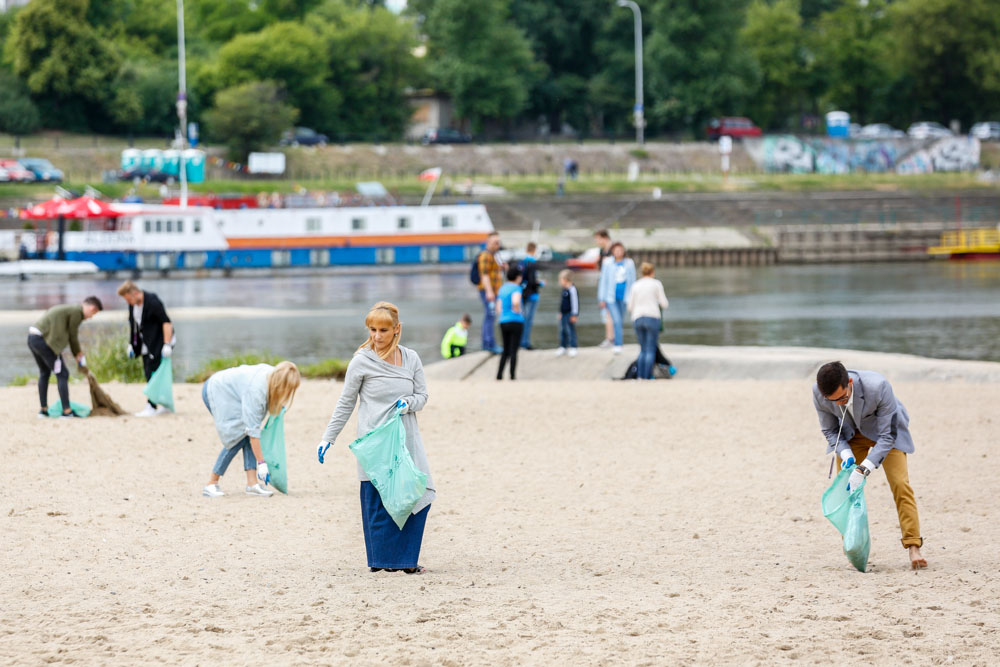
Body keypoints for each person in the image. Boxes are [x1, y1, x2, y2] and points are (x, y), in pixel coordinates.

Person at [316, 302, 434, 574]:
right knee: (378, 500)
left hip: (405, 439)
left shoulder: (411, 358)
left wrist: (408, 403)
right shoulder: (361, 361)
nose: (377, 336)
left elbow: (423, 397)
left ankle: (405, 561)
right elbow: (346, 402)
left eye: (383, 330)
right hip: (374, 442)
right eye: (372, 329)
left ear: (397, 330)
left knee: (415, 495)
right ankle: (382, 561)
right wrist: (328, 438)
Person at [813, 361, 927, 570]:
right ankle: (853, 550)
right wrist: (845, 451)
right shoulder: (819, 393)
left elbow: (888, 435)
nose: (838, 404)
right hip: (850, 436)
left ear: (849, 382)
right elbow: (829, 430)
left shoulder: (878, 386)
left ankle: (913, 546)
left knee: (900, 484)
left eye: (842, 398)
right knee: (846, 491)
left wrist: (865, 467)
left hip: (886, 435)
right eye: (832, 401)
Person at [202, 361, 301, 498]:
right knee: (236, 437)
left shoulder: (274, 375)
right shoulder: (256, 390)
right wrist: (261, 463)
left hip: (232, 392)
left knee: (245, 434)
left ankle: (252, 483)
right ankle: (211, 483)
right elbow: (253, 431)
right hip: (216, 391)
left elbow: (252, 429)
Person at [27, 297, 102, 418]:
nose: (91, 317)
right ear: (92, 308)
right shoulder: (77, 312)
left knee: (45, 372)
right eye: (93, 313)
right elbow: (72, 335)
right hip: (43, 341)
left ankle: (43, 410)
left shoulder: (70, 309)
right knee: (63, 374)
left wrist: (75, 353)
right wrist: (77, 353)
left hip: (32, 338)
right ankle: (67, 411)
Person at [117, 280, 174, 417]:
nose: (128, 302)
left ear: (135, 293)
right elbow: (134, 326)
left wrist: (167, 344)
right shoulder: (133, 306)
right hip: (144, 344)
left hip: (159, 342)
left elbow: (166, 322)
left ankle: (152, 406)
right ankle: (164, 404)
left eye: (128, 299)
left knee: (152, 373)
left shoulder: (152, 302)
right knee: (150, 372)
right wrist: (132, 344)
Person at [627, 262, 669, 380]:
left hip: (638, 317)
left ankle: (640, 376)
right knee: (650, 349)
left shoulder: (635, 285)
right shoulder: (656, 284)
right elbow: (664, 303)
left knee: (643, 349)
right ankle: (646, 376)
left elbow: (630, 307)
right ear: (653, 272)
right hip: (652, 317)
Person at [597, 242, 635, 354]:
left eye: (620, 250)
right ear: (613, 251)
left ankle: (617, 341)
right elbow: (603, 281)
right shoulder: (608, 263)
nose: (618, 252)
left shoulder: (629, 263)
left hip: (624, 296)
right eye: (616, 250)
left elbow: (632, 280)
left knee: (620, 320)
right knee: (616, 320)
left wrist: (633, 297)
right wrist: (601, 298)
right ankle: (618, 343)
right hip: (610, 297)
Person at [476, 232, 505, 354]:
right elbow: (484, 275)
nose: (497, 245)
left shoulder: (495, 256)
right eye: (495, 243)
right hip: (488, 291)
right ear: (488, 243)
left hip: (495, 290)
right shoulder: (485, 256)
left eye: (498, 243)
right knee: (490, 315)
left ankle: (489, 342)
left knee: (491, 315)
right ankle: (488, 343)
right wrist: (489, 292)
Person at [495, 266, 524, 380]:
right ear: (517, 277)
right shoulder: (516, 288)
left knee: (505, 349)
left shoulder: (502, 288)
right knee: (514, 350)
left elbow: (498, 307)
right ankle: (512, 376)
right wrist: (518, 311)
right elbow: (516, 302)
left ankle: (499, 375)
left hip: (503, 321)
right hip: (515, 320)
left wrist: (503, 315)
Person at [519, 241, 543, 350]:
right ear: (534, 250)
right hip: (532, 295)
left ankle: (520, 342)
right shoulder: (533, 263)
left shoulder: (522, 263)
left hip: (522, 294)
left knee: (522, 319)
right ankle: (525, 343)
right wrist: (540, 283)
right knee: (528, 320)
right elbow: (533, 281)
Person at [593, 229, 615, 348]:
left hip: (610, 284)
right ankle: (610, 337)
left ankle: (611, 338)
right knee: (606, 312)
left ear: (605, 237)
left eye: (598, 239)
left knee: (609, 312)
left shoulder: (613, 250)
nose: (597, 242)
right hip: (603, 282)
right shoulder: (602, 251)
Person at [555, 269, 579, 358]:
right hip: (564, 313)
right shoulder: (564, 289)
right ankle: (563, 346)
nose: (560, 282)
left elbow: (575, 303)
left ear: (565, 279)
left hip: (570, 313)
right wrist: (560, 312)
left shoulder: (572, 289)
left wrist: (574, 314)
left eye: (560, 280)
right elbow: (562, 303)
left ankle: (573, 346)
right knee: (562, 330)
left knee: (571, 330)